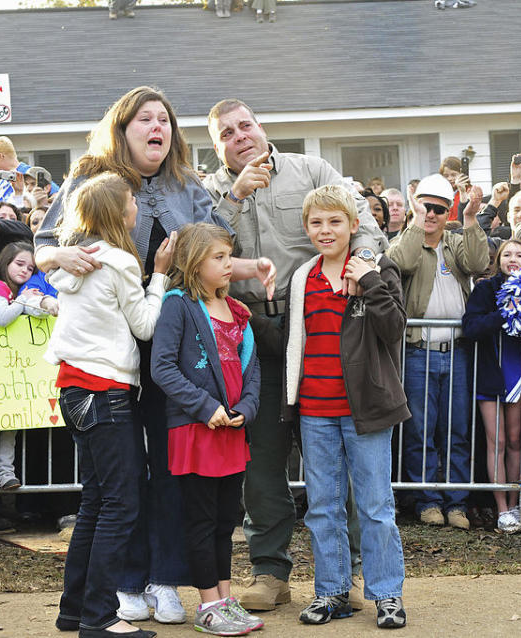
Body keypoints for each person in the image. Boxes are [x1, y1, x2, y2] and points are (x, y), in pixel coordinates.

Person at [36, 86, 275, 626]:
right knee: (121, 480)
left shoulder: (186, 184)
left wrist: (252, 265)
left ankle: (167, 580)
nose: (156, 127)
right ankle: (124, 584)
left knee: (173, 467)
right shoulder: (92, 178)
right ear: (122, 129)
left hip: (174, 341)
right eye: (144, 118)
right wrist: (59, 253)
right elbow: (43, 241)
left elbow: (212, 253)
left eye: (163, 119)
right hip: (112, 349)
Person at [202, 97, 386, 611]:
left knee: (333, 457)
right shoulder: (211, 191)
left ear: (261, 127)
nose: (240, 136)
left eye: (246, 126)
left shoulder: (311, 169)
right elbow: (196, 251)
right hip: (246, 333)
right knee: (260, 460)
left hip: (317, 329)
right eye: (227, 133)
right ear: (217, 146)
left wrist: (361, 267)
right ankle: (270, 571)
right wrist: (233, 199)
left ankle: (344, 572)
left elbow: (366, 227)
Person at [47, 172, 166, 638]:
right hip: (106, 391)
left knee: (96, 502)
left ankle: (74, 608)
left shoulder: (76, 260)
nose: (136, 204)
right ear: (120, 213)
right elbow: (145, 326)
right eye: (131, 199)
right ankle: (99, 617)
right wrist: (159, 277)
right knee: (121, 505)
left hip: (74, 389)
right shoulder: (117, 260)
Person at [285, 185, 408, 629]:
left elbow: (394, 328)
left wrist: (370, 283)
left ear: (354, 226)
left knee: (375, 505)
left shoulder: (377, 268)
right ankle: (332, 590)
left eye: (335, 221)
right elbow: (293, 341)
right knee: (323, 505)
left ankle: (387, 594)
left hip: (367, 409)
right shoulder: (304, 278)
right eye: (316, 222)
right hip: (315, 410)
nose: (325, 230)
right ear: (306, 228)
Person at [152, 223, 263, 636]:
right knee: (200, 522)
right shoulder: (177, 305)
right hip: (195, 433)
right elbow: (162, 367)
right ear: (194, 262)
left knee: (223, 523)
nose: (228, 264)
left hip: (231, 433)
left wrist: (247, 410)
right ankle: (208, 605)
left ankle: (226, 599)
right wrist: (205, 407)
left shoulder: (238, 312)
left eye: (229, 256)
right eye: (219, 257)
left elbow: (252, 370)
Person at [386, 174, 489, 529]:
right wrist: (416, 222)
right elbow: (403, 262)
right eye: (426, 206)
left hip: (457, 350)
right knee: (421, 429)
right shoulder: (405, 240)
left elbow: (477, 263)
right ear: (416, 205)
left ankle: (456, 502)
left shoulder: (456, 242)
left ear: (449, 213)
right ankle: (428, 499)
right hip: (418, 350)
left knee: (457, 429)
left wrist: (472, 219)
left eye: (439, 209)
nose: (431, 214)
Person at [462, 240, 521, 534]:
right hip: (490, 373)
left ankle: (515, 504)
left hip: (518, 372)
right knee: (495, 441)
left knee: (515, 441)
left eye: (520, 254)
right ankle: (501, 509)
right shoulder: (486, 290)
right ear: (498, 259)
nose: (514, 259)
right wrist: (505, 313)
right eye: (508, 254)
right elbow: (471, 328)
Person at [0, 241, 50, 499]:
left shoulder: (19, 292)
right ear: (5, 262)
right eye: (19, 264)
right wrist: (23, 301)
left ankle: (6, 474)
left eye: (30, 268)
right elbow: (2, 317)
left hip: (8, 371)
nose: (25, 271)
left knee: (10, 422)